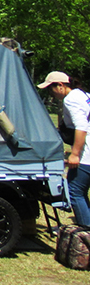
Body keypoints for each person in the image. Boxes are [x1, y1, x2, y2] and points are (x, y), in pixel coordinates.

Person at [38, 71, 90, 226]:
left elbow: (81, 127)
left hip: (86, 155)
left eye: (50, 88)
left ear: (60, 86)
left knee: (74, 192)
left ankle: (85, 233)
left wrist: (75, 154)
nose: (51, 93)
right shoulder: (83, 94)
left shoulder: (71, 99)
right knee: (80, 191)